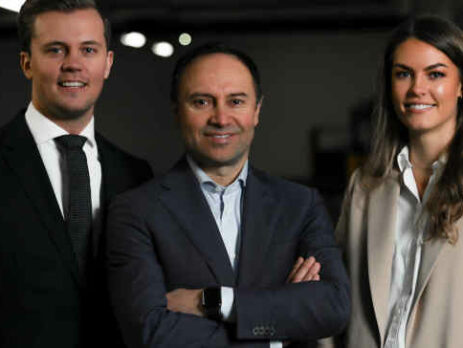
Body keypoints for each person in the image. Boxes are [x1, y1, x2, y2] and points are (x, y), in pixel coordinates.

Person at [106, 43, 350, 348]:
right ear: (177, 111)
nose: (221, 118)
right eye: (202, 102)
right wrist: (277, 329)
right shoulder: (135, 211)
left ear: (256, 111)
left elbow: (333, 307)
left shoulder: (300, 205)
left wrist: (214, 301)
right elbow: (151, 333)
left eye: (235, 101)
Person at [0, 0, 152, 347]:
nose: (73, 64)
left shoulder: (135, 174)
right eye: (55, 50)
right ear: (27, 62)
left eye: (88, 49)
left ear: (107, 63)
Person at [327, 16, 463, 348]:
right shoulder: (364, 186)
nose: (417, 88)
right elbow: (334, 294)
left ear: (461, 85)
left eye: (435, 74)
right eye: (403, 74)